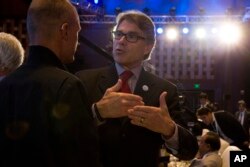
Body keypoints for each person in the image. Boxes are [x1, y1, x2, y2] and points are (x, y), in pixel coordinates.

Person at [76, 10, 198, 167]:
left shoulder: (165, 90)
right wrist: (97, 112)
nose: (120, 41)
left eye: (131, 36)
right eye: (118, 34)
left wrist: (169, 129)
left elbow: (189, 151)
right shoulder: (84, 80)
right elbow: (63, 134)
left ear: (148, 46)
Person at [0, 0, 100, 167]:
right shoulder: (68, 86)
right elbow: (82, 158)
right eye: (77, 32)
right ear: (65, 31)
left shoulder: (5, 86)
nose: (78, 42)